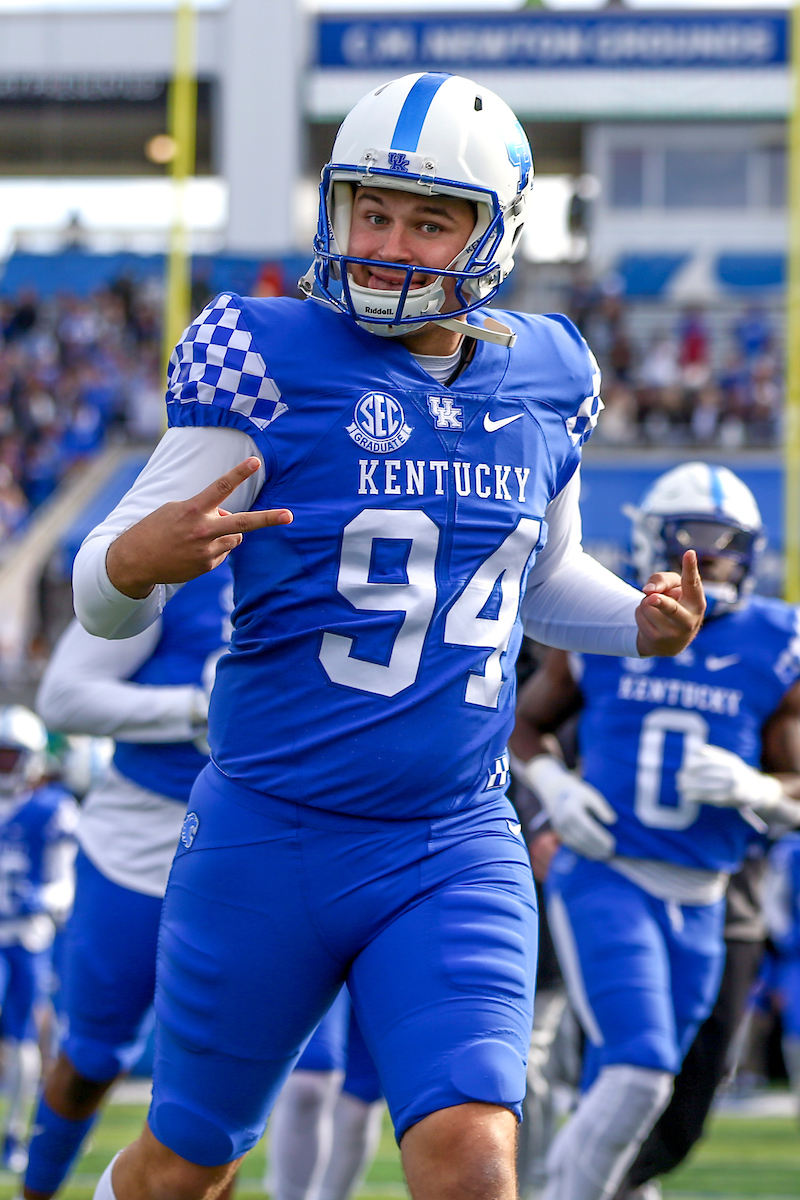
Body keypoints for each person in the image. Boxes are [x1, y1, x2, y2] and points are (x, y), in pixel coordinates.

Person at [72, 72, 704, 1200]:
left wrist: (638, 627)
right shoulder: (265, 357)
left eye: (429, 220)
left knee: (471, 1158)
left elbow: (542, 582)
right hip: (272, 831)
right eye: (371, 209)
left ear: (494, 233)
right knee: (186, 1164)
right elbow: (98, 593)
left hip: (450, 839)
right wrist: (130, 564)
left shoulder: (547, 377)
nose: (388, 242)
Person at [510, 462, 800, 1200]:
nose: (710, 559)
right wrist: (552, 789)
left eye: (725, 544)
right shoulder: (611, 619)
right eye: (691, 541)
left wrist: (761, 789)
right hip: (610, 873)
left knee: (651, 1087)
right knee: (638, 1071)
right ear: (651, 542)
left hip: (706, 895)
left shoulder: (776, 641)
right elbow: (521, 724)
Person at [22, 568, 232, 1200]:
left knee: (225, 1085)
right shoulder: (189, 558)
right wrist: (197, 708)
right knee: (92, 1057)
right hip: (140, 835)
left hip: (262, 838)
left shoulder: (346, 548)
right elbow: (64, 697)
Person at [0, 706, 78, 1174]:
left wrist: (37, 899)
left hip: (26, 938)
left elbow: (64, 885)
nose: (5, 765)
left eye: (11, 756)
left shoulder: (52, 808)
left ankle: (13, 1132)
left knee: (23, 1040)